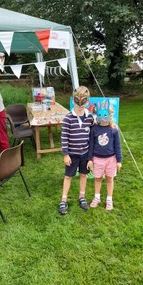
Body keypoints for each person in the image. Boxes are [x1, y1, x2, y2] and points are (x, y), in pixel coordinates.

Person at [59, 86, 94, 215]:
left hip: (85, 153)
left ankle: (82, 196)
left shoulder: (90, 118)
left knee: (83, 175)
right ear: (73, 101)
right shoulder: (68, 118)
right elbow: (64, 137)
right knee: (68, 176)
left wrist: (90, 157)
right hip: (72, 155)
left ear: (87, 102)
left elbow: (93, 135)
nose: (80, 105)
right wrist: (65, 154)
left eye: (83, 102)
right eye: (77, 102)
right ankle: (64, 199)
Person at [87, 100, 122, 211]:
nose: (102, 117)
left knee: (109, 179)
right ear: (97, 115)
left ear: (110, 115)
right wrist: (90, 159)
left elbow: (118, 146)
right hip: (97, 159)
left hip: (111, 159)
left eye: (105, 115)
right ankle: (97, 198)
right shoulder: (94, 129)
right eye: (100, 115)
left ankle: (109, 199)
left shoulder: (114, 130)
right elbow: (91, 145)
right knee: (97, 179)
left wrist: (119, 161)